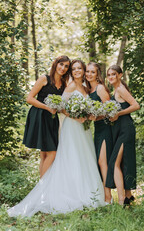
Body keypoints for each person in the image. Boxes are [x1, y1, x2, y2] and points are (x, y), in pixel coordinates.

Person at [7, 59, 105, 217]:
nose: (76, 71)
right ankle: (43, 189)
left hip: (84, 129)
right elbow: (63, 107)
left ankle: (84, 190)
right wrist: (75, 116)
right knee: (63, 156)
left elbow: (68, 106)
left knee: (83, 158)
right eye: (73, 68)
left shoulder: (84, 88)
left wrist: (88, 115)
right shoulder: (69, 86)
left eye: (79, 68)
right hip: (70, 126)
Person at [23, 55, 71, 178]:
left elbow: (60, 107)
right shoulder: (45, 79)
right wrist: (47, 107)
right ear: (56, 64)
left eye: (66, 66)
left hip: (52, 120)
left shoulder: (64, 84)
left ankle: (41, 192)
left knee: (45, 154)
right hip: (40, 116)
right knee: (53, 153)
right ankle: (42, 187)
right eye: (61, 64)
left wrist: (72, 114)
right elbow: (29, 98)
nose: (63, 68)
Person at [106, 64, 140, 205]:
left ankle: (122, 200)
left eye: (114, 74)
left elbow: (136, 105)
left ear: (120, 75)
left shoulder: (121, 89)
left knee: (114, 162)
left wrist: (119, 113)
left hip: (126, 129)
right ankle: (129, 195)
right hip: (119, 130)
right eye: (109, 75)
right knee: (124, 161)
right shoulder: (114, 91)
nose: (111, 77)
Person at [85, 62, 113, 204]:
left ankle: (108, 196)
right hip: (97, 128)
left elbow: (110, 110)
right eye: (87, 72)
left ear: (97, 74)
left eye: (92, 72)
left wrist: (97, 116)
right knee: (99, 162)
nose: (89, 74)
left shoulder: (100, 88)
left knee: (103, 162)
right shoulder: (89, 91)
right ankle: (104, 193)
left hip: (106, 128)